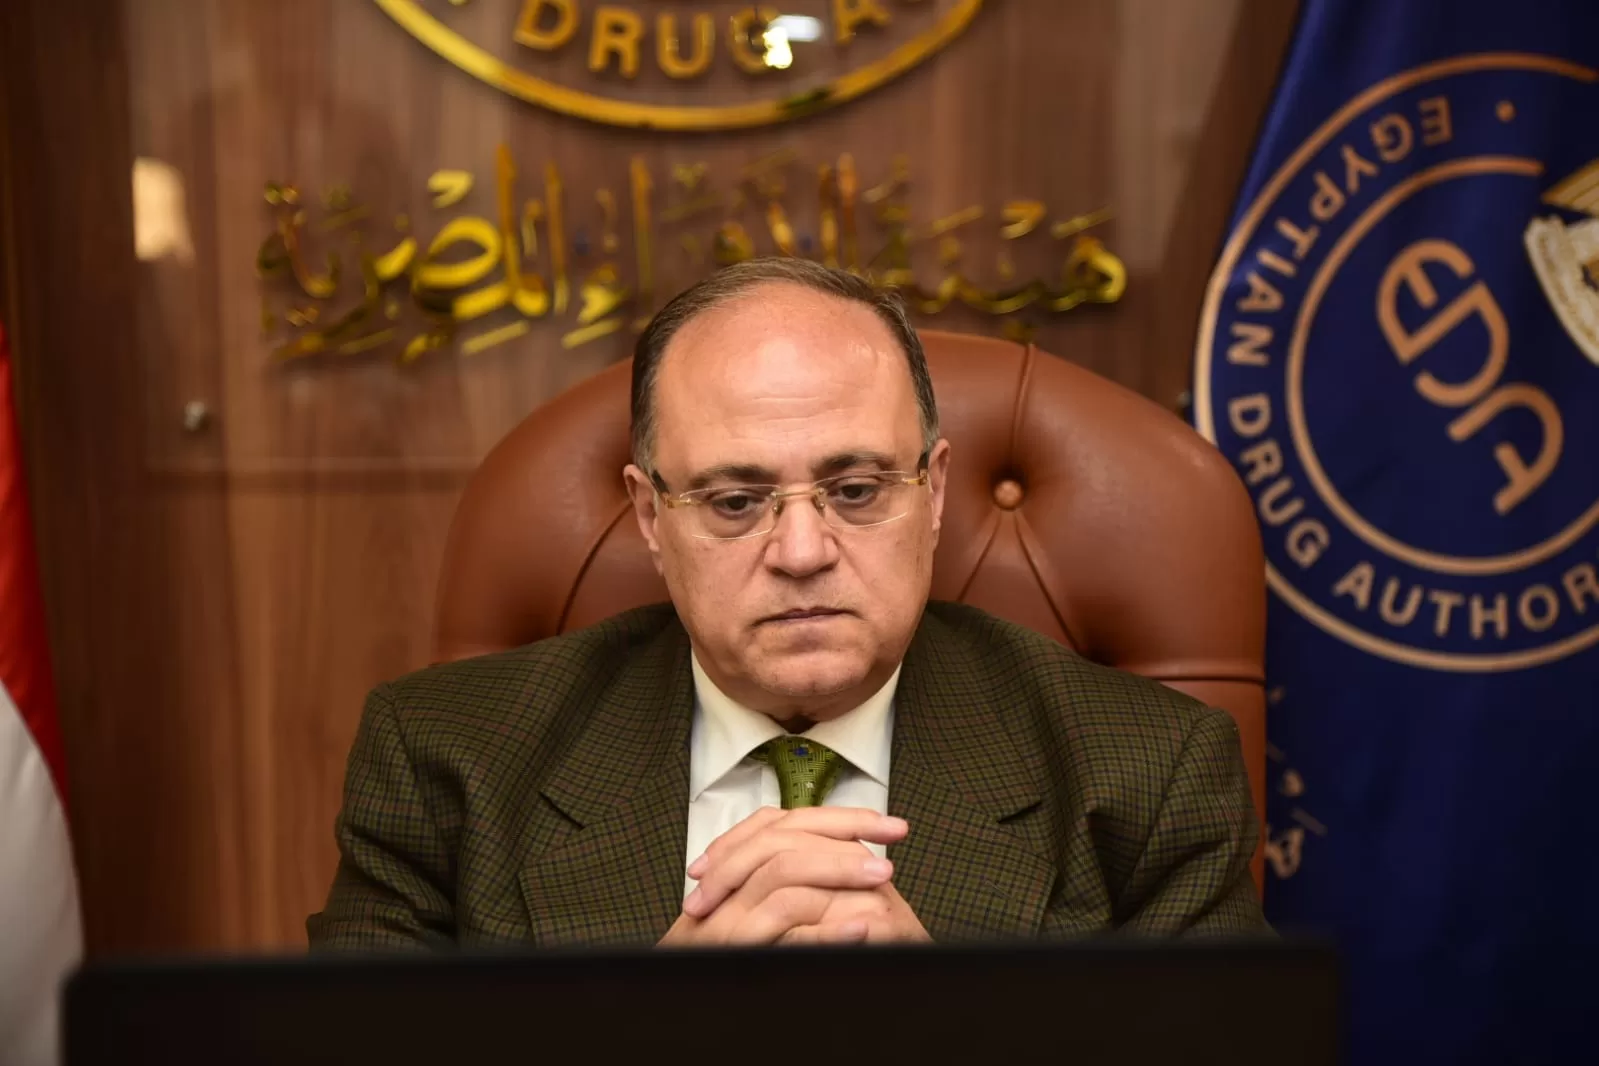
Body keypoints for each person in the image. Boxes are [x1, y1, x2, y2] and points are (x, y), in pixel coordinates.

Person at [307, 257, 1268, 949]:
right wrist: (648, 1035)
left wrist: (951, 1030)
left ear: (933, 493)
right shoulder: (447, 762)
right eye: (734, 502)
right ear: (650, 515)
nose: (802, 553)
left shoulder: (1148, 774)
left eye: (855, 491)